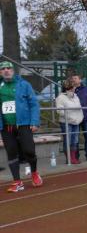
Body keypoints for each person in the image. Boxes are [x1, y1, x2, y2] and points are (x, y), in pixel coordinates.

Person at [0, 60, 42, 191]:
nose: (6, 71)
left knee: (29, 151)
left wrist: (34, 121)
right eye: (3, 69)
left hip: (23, 124)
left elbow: (34, 104)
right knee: (11, 152)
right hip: (6, 126)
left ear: (13, 71)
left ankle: (34, 173)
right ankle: (17, 182)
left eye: (8, 68)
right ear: (0, 72)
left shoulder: (24, 85)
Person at [55, 78, 84, 165]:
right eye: (73, 86)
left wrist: (80, 118)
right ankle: (69, 158)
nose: (75, 88)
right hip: (66, 122)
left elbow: (79, 108)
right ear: (69, 87)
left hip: (76, 121)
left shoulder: (76, 96)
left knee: (75, 140)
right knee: (68, 140)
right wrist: (70, 117)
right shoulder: (60, 97)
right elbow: (59, 111)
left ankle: (73, 158)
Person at [71, 74, 87, 161]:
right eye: (72, 78)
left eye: (75, 78)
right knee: (75, 138)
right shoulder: (70, 90)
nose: (73, 80)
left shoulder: (86, 90)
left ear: (80, 80)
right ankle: (76, 157)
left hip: (86, 117)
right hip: (75, 118)